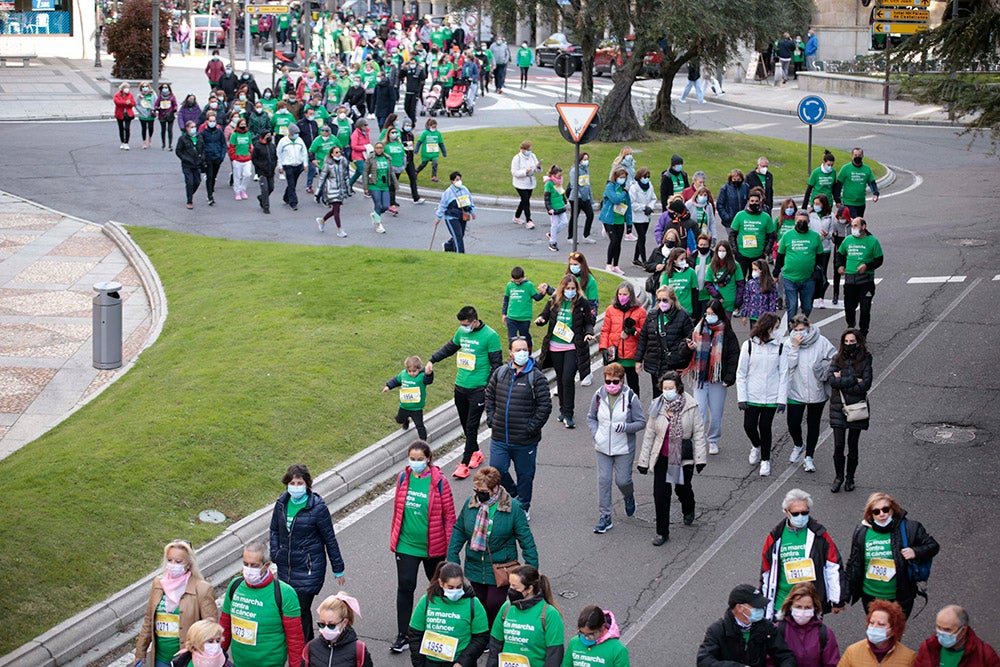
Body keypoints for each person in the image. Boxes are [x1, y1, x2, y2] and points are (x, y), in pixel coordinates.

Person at [388, 441, 457, 653]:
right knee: (405, 587)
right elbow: (398, 512)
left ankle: (443, 629)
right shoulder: (403, 478)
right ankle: (404, 635)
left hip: (433, 547)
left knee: (437, 587)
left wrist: (449, 550)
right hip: (406, 545)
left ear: (428, 458)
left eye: (420, 459)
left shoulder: (439, 482)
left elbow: (450, 517)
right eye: (412, 459)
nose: (415, 463)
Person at [447, 467, 538, 626]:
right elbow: (460, 529)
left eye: (483, 490)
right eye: (477, 490)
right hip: (475, 565)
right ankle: (484, 635)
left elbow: (526, 540)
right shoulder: (471, 503)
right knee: (479, 603)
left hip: (500, 567)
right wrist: (453, 558)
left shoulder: (513, 508)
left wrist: (531, 572)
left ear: (495, 488)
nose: (479, 494)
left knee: (494, 603)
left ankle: (495, 634)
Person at [269, 464, 346, 641]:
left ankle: (306, 648)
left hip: (308, 569)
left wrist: (338, 568)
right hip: (286, 568)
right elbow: (274, 530)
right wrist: (275, 553)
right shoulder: (281, 504)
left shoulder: (318, 508)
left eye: (299, 482)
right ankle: (294, 644)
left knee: (301, 610)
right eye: (292, 483)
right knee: (287, 609)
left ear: (307, 485)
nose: (295, 486)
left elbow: (329, 539)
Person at [427, 306, 503, 479]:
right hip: (460, 386)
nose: (464, 327)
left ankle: (464, 463)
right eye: (461, 324)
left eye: (466, 324)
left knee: (471, 426)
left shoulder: (491, 336)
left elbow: (497, 364)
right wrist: (433, 359)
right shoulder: (461, 332)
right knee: (464, 423)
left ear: (475, 321)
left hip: (478, 388)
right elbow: (449, 348)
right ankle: (475, 451)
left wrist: (487, 387)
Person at [485, 336, 552, 519]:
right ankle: (513, 494)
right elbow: (489, 396)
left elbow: (545, 406)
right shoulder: (500, 373)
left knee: (525, 475)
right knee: (497, 471)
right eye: (518, 350)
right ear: (510, 352)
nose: (522, 353)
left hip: (525, 441)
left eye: (525, 349)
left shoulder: (536, 377)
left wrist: (531, 427)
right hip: (500, 437)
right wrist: (492, 419)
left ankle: (523, 506)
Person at [637, 369, 707, 543]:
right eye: (664, 388)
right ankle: (662, 532)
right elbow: (649, 434)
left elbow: (698, 433)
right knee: (660, 494)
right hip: (662, 455)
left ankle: (688, 508)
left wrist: (700, 459)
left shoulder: (691, 406)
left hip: (681, 456)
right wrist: (643, 461)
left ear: (678, 389)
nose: (667, 391)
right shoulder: (657, 405)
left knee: (682, 489)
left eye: (670, 388)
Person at [845, 492, 940, 619]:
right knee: (876, 631)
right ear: (870, 514)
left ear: (892, 509)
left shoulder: (910, 528)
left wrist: (915, 552)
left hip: (899, 597)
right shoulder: (862, 532)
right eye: (876, 511)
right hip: (871, 596)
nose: (882, 514)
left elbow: (933, 546)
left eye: (885, 509)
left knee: (894, 634)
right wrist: (845, 592)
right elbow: (854, 562)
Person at [759, 488, 846, 620]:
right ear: (786, 512)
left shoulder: (820, 534)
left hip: (809, 605)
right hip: (781, 604)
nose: (801, 516)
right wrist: (763, 601)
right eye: (796, 513)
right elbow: (766, 570)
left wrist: (837, 599)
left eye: (805, 512)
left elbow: (833, 566)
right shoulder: (775, 536)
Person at [134, 540, 219, 667]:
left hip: (188, 660)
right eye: (170, 560)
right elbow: (149, 620)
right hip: (161, 659)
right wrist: (140, 652)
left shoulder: (202, 589)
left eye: (178, 561)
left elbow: (211, 629)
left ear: (189, 564)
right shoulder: (158, 584)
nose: (173, 565)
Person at [220, 542, 304, 667]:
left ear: (266, 565)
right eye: (245, 564)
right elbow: (224, 628)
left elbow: (295, 639)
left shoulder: (285, 593)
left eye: (254, 565)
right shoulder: (234, 586)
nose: (248, 569)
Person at [586, 362, 646, 534]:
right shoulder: (598, 395)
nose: (611, 385)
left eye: (615, 382)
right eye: (608, 381)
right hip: (602, 446)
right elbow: (591, 418)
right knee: (604, 480)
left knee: (622, 480)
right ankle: (605, 516)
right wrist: (596, 433)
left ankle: (628, 496)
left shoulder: (630, 397)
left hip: (624, 448)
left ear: (622, 380)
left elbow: (641, 422)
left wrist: (626, 427)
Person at [535, 275, 596, 429]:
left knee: (568, 379)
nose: (570, 291)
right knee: (561, 379)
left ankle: (568, 413)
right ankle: (562, 410)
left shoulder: (583, 303)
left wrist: (589, 333)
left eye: (573, 288)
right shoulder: (554, 300)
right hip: (555, 346)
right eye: (567, 288)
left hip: (573, 347)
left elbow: (589, 322)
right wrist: (541, 319)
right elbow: (545, 315)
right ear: (562, 288)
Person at [736, 312, 789, 477]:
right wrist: (742, 397)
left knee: (765, 427)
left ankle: (765, 460)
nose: (778, 331)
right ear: (768, 327)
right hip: (752, 395)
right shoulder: (749, 346)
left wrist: (781, 400)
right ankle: (756, 446)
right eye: (776, 327)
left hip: (771, 396)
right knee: (749, 426)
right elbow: (741, 373)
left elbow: (784, 374)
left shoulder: (780, 347)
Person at [408, 561, 490, 666]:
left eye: (459, 587)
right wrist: (419, 664)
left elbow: (481, 637)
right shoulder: (427, 601)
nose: (455, 591)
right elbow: (414, 634)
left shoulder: (473, 603)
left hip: (458, 663)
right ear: (441, 583)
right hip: (431, 662)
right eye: (450, 587)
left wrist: (463, 662)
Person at [684, 299, 739, 455]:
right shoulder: (698, 328)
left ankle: (713, 440)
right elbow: (684, 349)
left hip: (717, 379)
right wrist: (689, 349)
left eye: (712, 314)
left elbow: (734, 354)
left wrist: (729, 377)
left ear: (719, 314)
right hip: (700, 378)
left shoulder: (726, 331)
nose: (709, 317)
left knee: (716, 413)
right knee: (699, 411)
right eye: (707, 313)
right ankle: (699, 441)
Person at [783, 314, 836, 473]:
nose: (800, 333)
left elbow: (834, 357)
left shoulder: (821, 341)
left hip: (816, 390)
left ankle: (809, 457)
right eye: (797, 330)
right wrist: (795, 347)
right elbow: (789, 365)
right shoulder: (789, 344)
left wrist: (825, 369)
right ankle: (798, 445)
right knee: (793, 423)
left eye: (803, 330)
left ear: (809, 327)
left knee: (814, 424)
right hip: (795, 390)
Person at [696, 584, 796, 667]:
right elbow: (704, 660)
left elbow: (785, 655)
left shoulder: (766, 627)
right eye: (756, 606)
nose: (761, 609)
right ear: (740, 608)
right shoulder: (717, 630)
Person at [487, 565, 565, 667]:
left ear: (529, 589)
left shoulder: (549, 614)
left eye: (515, 587)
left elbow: (554, 654)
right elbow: (495, 644)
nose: (510, 590)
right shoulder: (507, 607)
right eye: (510, 585)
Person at [828, 328, 873, 492]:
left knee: (853, 446)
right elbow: (832, 380)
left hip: (856, 407)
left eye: (852, 342)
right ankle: (838, 476)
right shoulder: (837, 358)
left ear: (858, 343)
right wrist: (854, 379)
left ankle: (850, 477)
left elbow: (866, 384)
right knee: (838, 446)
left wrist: (844, 382)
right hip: (838, 407)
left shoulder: (866, 359)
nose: (849, 344)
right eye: (846, 342)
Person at [636, 285, 694, 398]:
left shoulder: (683, 315)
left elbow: (689, 338)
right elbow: (644, 337)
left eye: (665, 300)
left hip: (673, 362)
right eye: (659, 300)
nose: (661, 302)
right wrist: (638, 360)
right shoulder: (653, 315)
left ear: (673, 300)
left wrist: (682, 353)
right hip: (655, 361)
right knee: (657, 395)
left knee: (673, 394)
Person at [773, 582, 842, 667]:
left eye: (807, 608)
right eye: (798, 607)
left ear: (815, 608)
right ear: (790, 606)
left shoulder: (825, 634)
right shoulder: (778, 630)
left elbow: (832, 663)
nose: (802, 611)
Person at [599, 282, 648, 396]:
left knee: (633, 386)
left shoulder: (640, 311)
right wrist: (603, 347)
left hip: (631, 356)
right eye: (619, 294)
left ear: (631, 295)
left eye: (625, 294)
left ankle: (633, 408)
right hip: (615, 354)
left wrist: (633, 331)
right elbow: (605, 330)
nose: (622, 297)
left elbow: (645, 334)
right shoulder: (610, 310)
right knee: (613, 386)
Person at [775, 208, 824, 319]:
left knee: (807, 306)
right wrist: (775, 273)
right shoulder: (787, 236)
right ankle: (792, 331)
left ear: (808, 222)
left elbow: (820, 256)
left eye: (805, 221)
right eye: (799, 221)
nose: (802, 223)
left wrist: (818, 269)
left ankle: (801, 324)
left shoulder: (815, 236)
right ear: (795, 222)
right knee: (792, 306)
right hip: (789, 277)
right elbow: (780, 256)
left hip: (808, 278)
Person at [838, 217, 883, 338]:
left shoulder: (872, 241)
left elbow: (879, 260)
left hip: (865, 281)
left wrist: (867, 266)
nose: (853, 228)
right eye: (852, 226)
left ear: (863, 226)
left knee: (865, 308)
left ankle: (863, 333)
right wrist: (840, 265)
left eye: (856, 226)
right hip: (850, 280)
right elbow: (840, 254)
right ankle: (851, 326)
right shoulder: (847, 240)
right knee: (849, 306)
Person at [915, 605, 1000, 667]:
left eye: (947, 629)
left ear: (963, 630)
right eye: (939, 627)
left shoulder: (985, 655)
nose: (941, 633)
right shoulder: (928, 647)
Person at [837, 600, 916, 666]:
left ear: (893, 629)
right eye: (871, 622)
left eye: (881, 624)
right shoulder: (852, 652)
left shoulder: (908, 658)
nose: (874, 627)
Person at [303, 593, 374, 667]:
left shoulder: (358, 650)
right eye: (322, 624)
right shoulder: (312, 647)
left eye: (331, 625)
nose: (326, 629)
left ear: (344, 623)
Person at [384, 356, 435, 439]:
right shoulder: (403, 375)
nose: (412, 373)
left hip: (417, 408)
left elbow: (428, 381)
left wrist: (429, 374)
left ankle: (423, 441)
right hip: (404, 406)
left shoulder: (422, 377)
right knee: (399, 420)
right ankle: (406, 420)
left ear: (419, 369)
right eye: (409, 371)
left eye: (414, 371)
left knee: (419, 425)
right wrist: (388, 386)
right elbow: (396, 380)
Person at [730, 187, 776, 279]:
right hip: (742, 255)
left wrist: (766, 252)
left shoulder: (766, 217)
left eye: (756, 201)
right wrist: (735, 250)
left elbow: (771, 235)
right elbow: (732, 234)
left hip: (758, 255)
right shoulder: (740, 215)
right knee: (740, 280)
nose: (754, 203)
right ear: (748, 201)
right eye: (752, 201)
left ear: (760, 202)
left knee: (756, 281)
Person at [564, 606, 630, 667]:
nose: (586, 638)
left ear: (602, 627)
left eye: (591, 634)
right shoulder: (574, 643)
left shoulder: (618, 650)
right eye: (581, 633)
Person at [502, 267, 547, 350]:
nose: (517, 283)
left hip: (524, 318)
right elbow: (506, 300)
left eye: (519, 281)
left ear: (524, 277)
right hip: (511, 317)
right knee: (512, 338)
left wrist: (543, 293)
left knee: (525, 336)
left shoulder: (529, 285)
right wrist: (504, 314)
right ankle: (513, 355)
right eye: (515, 281)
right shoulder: (509, 285)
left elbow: (536, 297)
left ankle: (528, 351)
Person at [600, 168, 632, 275]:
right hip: (609, 219)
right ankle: (608, 264)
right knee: (613, 241)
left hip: (620, 220)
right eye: (621, 177)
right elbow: (615, 199)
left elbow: (628, 207)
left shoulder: (624, 189)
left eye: (624, 177)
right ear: (616, 177)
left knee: (618, 243)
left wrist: (629, 224)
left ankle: (616, 265)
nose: (622, 179)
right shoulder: (610, 187)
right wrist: (624, 192)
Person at [703, 240, 745, 318]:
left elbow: (740, 284)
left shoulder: (735, 265)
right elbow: (708, 283)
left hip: (729, 300)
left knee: (726, 325)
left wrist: (738, 301)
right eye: (719, 250)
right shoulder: (711, 266)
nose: (721, 253)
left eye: (723, 250)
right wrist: (717, 296)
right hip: (716, 301)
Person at [315, 144, 350, 232]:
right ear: (332, 154)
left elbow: (346, 176)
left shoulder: (343, 163)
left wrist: (348, 189)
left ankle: (322, 220)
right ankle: (340, 229)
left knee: (335, 210)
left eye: (340, 152)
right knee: (336, 210)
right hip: (331, 189)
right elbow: (322, 178)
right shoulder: (327, 164)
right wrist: (317, 192)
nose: (339, 154)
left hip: (341, 189)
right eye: (336, 152)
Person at [836, 148, 879, 219]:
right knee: (855, 222)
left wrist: (875, 193)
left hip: (861, 203)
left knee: (859, 223)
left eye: (859, 155)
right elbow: (838, 185)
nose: (857, 157)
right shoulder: (845, 168)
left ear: (862, 156)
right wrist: (838, 200)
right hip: (849, 202)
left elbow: (872, 182)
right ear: (852, 156)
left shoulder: (867, 169)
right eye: (855, 155)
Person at [363, 141, 396, 233]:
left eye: (380, 148)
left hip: (384, 185)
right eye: (377, 148)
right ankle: (378, 224)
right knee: (377, 203)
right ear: (374, 149)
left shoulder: (387, 158)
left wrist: (395, 184)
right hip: (374, 185)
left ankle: (375, 214)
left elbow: (391, 172)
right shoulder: (371, 158)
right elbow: (365, 172)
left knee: (385, 206)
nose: (379, 149)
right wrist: (365, 187)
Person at [628, 167, 658, 267]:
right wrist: (643, 207)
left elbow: (654, 198)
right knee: (642, 237)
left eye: (648, 177)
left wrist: (650, 207)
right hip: (637, 216)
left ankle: (636, 258)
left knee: (642, 236)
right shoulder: (634, 188)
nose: (647, 179)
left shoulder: (650, 186)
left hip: (646, 216)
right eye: (645, 177)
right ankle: (644, 260)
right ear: (639, 177)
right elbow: (632, 203)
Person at [809, 194, 835, 308]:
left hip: (825, 249)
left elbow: (833, 234)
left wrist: (827, 235)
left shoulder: (830, 216)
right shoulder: (810, 215)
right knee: (811, 272)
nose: (816, 206)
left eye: (818, 204)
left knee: (822, 273)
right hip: (812, 248)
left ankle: (821, 297)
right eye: (814, 204)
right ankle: (810, 295)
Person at [276, 123, 308, 211]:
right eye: (295, 133)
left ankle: (286, 197)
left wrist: (305, 164)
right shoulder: (283, 141)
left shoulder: (300, 140)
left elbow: (304, 152)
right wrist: (280, 166)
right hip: (288, 165)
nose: (297, 135)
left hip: (298, 164)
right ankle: (293, 202)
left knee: (293, 183)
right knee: (291, 183)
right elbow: (279, 154)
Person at [511, 141, 542, 230]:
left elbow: (537, 170)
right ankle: (529, 220)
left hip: (530, 183)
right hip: (520, 183)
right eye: (528, 150)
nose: (529, 151)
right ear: (523, 149)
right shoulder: (517, 158)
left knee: (525, 200)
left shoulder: (532, 156)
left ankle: (516, 217)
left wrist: (538, 167)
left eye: (530, 149)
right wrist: (525, 172)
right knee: (526, 201)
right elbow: (514, 172)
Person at [567, 153, 597, 244]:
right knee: (574, 217)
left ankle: (586, 235)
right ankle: (571, 237)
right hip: (576, 198)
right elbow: (574, 185)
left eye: (587, 159)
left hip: (585, 197)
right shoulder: (574, 171)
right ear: (579, 160)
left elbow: (588, 185)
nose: (586, 161)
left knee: (590, 215)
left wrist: (590, 198)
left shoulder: (586, 170)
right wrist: (579, 197)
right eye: (584, 159)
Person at [176, 121, 205, 210]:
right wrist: (185, 158)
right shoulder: (183, 139)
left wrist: (202, 158)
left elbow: (203, 149)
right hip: (187, 164)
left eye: (194, 127)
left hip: (197, 164)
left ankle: (190, 193)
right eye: (191, 127)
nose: (193, 129)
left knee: (197, 181)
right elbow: (178, 151)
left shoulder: (199, 137)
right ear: (187, 128)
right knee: (189, 182)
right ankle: (189, 200)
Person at [741, 258, 779, 326]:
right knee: (754, 334)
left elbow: (772, 301)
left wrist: (772, 316)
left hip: (765, 316)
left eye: (755, 269)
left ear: (762, 270)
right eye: (753, 269)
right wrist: (744, 315)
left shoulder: (770, 283)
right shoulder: (750, 283)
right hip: (753, 315)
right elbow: (747, 299)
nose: (753, 272)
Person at [543, 165, 570, 252]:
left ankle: (552, 234)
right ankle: (552, 242)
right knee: (554, 224)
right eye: (559, 175)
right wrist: (549, 208)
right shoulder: (549, 184)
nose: (560, 177)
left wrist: (565, 202)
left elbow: (561, 193)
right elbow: (546, 198)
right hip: (553, 208)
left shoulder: (558, 182)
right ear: (553, 175)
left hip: (561, 206)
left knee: (565, 222)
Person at [252, 130, 278, 215]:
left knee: (271, 188)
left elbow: (275, 157)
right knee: (265, 189)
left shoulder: (272, 146)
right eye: (267, 135)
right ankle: (266, 206)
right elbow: (254, 159)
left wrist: (274, 165)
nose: (269, 137)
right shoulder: (258, 146)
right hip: (262, 171)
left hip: (271, 171)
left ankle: (261, 198)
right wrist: (260, 166)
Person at [227, 118, 254, 201]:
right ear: (238, 125)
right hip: (237, 159)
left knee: (247, 174)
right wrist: (234, 157)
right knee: (237, 176)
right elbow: (231, 147)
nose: (243, 126)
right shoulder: (234, 135)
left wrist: (250, 153)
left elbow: (250, 145)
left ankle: (243, 189)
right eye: (241, 124)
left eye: (244, 124)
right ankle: (237, 191)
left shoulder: (248, 134)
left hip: (247, 158)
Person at [415, 118, 446, 182]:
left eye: (435, 127)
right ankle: (416, 171)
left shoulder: (438, 133)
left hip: (434, 153)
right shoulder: (425, 133)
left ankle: (434, 176)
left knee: (435, 163)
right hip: (426, 153)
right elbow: (419, 142)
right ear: (429, 126)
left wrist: (444, 152)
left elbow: (441, 143)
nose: (434, 128)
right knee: (424, 164)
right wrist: (416, 149)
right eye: (433, 127)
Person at [348, 118, 372, 189]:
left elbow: (368, 142)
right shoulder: (355, 134)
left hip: (365, 155)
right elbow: (354, 146)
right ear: (360, 126)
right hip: (357, 156)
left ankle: (348, 185)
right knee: (365, 172)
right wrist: (365, 148)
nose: (366, 126)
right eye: (365, 125)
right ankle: (367, 189)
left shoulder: (366, 133)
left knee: (358, 173)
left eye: (367, 125)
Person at [155, 84, 178, 151]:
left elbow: (175, 105)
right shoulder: (160, 97)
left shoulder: (172, 96)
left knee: (170, 130)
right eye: (163, 88)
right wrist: (157, 108)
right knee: (163, 130)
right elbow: (156, 105)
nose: (165, 89)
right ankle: (163, 143)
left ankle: (170, 144)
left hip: (170, 115)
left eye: (166, 87)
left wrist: (174, 109)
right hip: (162, 115)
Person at [114, 82, 136, 150]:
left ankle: (126, 142)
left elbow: (133, 103)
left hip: (128, 114)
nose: (127, 89)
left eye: (128, 88)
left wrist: (129, 103)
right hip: (119, 113)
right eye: (125, 87)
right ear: (122, 88)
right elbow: (117, 102)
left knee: (127, 128)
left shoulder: (130, 95)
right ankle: (122, 142)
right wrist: (125, 102)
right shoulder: (117, 95)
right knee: (121, 128)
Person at [135, 82, 157, 150]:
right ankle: (144, 142)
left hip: (150, 113)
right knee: (144, 128)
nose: (145, 88)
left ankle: (150, 138)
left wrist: (154, 109)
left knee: (151, 127)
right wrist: (141, 110)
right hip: (143, 114)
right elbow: (137, 104)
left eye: (146, 86)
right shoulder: (139, 95)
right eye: (143, 87)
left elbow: (156, 102)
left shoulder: (153, 94)